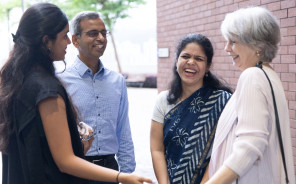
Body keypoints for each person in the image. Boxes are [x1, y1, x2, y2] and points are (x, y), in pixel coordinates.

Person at [0, 3, 152, 184]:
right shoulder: (48, 87)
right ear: (46, 40)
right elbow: (65, 160)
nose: (67, 42)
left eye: (104, 33)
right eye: (64, 36)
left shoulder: (17, 80)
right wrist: (122, 177)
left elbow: (122, 129)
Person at [205, 7, 296, 184]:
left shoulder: (252, 76)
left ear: (257, 46)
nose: (226, 48)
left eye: (233, 42)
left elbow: (249, 145)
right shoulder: (269, 76)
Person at [57, 11, 135, 184]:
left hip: (110, 169)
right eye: (93, 33)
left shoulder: (117, 81)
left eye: (104, 33)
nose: (101, 38)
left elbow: (123, 128)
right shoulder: (60, 80)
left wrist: (127, 171)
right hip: (76, 169)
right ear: (75, 40)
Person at [150, 33, 232, 184]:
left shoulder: (223, 102)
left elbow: (222, 153)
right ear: (176, 60)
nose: (191, 62)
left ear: (208, 66)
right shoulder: (163, 100)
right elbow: (157, 149)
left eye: (199, 59)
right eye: (185, 56)